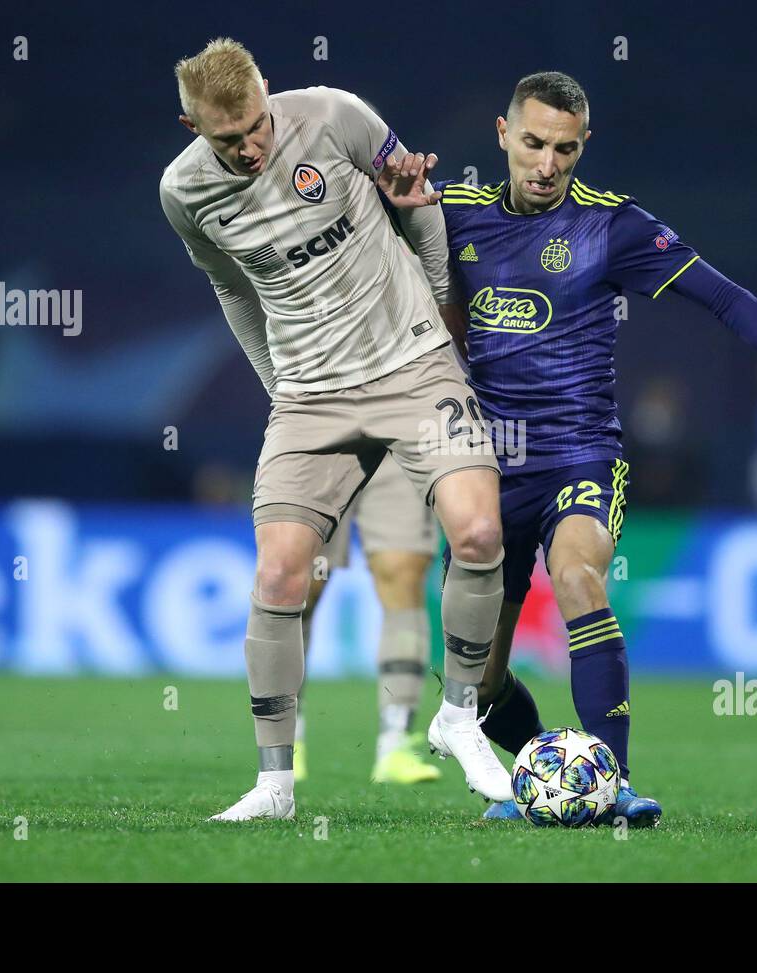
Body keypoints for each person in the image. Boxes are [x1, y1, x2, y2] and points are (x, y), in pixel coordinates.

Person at [380, 71, 757, 827]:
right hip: (484, 464)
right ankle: (551, 772)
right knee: (476, 682)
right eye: (535, 144)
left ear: (584, 148)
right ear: (504, 134)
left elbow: (724, 295)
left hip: (580, 450)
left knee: (579, 574)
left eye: (566, 151)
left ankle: (615, 783)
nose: (548, 165)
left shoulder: (614, 227)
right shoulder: (453, 217)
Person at [160, 38, 512, 821]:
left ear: (267, 93)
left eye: (256, 124)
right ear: (191, 126)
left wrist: (432, 312)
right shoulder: (183, 195)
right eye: (228, 139)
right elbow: (232, 288)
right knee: (281, 577)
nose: (251, 146)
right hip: (310, 396)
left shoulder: (335, 116)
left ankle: (457, 717)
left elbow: (419, 202)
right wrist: (276, 386)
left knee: (479, 533)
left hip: (413, 368)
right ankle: (275, 785)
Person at [297, 456, 443, 785]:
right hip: (319, 431)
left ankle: (395, 743)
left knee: (403, 576)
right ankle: (285, 740)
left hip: (396, 434)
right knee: (301, 584)